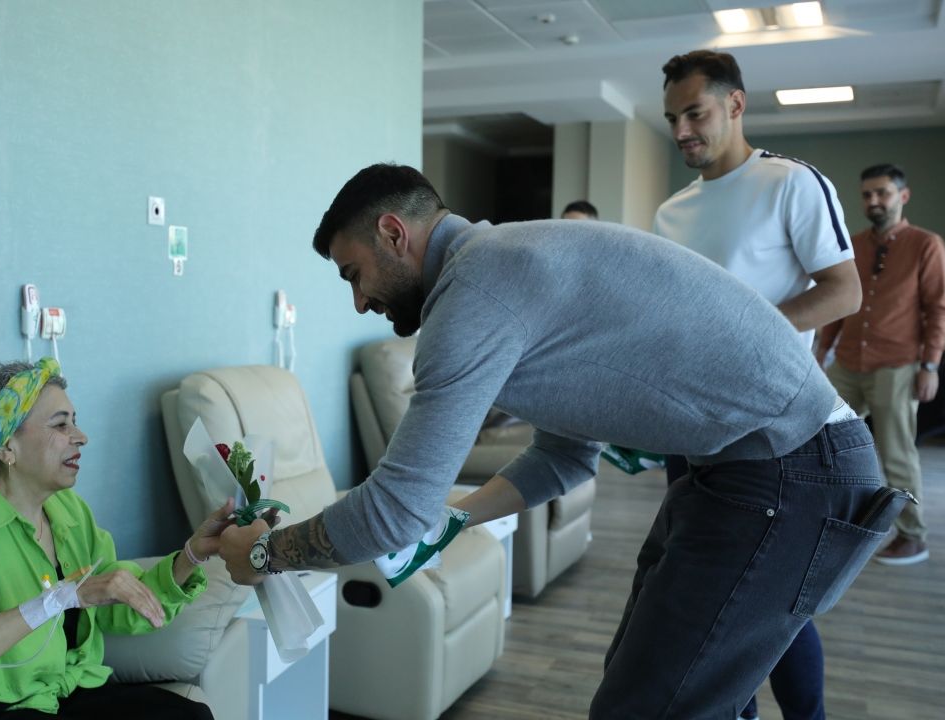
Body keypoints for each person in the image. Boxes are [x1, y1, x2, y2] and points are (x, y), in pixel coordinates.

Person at [219, 163, 897, 719]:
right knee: (658, 686)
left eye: (353, 274)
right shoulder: (506, 266)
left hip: (790, 468)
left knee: (647, 708)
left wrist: (265, 552)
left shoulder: (474, 293)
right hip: (751, 468)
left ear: (394, 233)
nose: (359, 302)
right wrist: (455, 519)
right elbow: (567, 454)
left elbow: (394, 509)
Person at [653, 49, 862, 720]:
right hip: (689, 435)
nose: (682, 130)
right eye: (672, 118)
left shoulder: (791, 184)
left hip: (772, 434)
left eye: (695, 113)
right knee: (709, 603)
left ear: (736, 104)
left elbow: (844, 290)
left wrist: (748, 332)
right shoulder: (671, 214)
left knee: (773, 603)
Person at [0, 358, 231, 719]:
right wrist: (59, 599)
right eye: (60, 424)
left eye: (74, 421)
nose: (81, 437)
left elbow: (116, 601)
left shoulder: (67, 509)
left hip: (62, 689)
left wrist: (191, 554)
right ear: (6, 446)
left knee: (190, 716)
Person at [817, 163, 945, 565]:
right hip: (847, 362)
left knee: (896, 455)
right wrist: (820, 353)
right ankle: (826, 520)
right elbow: (839, 301)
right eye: (867, 194)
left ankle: (912, 535)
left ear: (902, 196)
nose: (873, 200)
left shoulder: (926, 245)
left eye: (883, 193)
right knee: (823, 443)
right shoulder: (853, 244)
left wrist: (930, 366)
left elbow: (938, 308)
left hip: (897, 366)